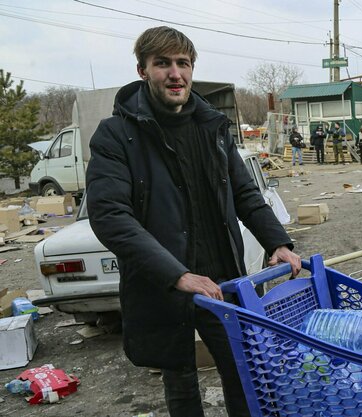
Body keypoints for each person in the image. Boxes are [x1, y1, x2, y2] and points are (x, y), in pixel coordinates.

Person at [84, 26, 302, 417]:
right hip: (165, 283)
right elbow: (110, 216)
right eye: (162, 64)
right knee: (181, 383)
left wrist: (278, 242)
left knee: (244, 373)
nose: (175, 74)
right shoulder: (116, 136)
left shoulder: (211, 126)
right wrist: (177, 275)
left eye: (182, 64)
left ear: (192, 70)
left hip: (223, 280)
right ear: (142, 71)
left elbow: (244, 193)